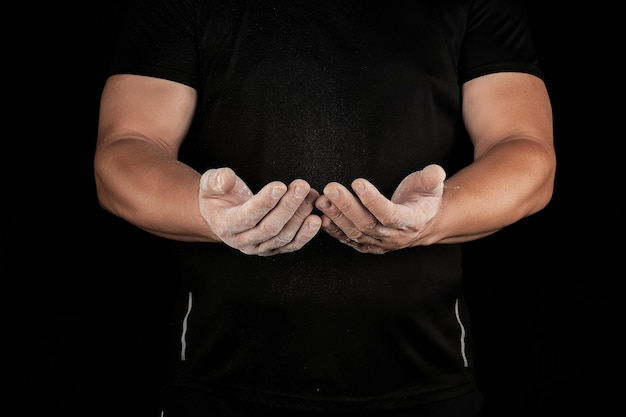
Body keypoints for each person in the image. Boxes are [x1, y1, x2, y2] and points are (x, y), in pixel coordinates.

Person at [94, 0, 556, 415]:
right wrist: (207, 214)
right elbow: (126, 149)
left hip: (426, 381)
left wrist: (438, 216)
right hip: (218, 383)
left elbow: (525, 150)